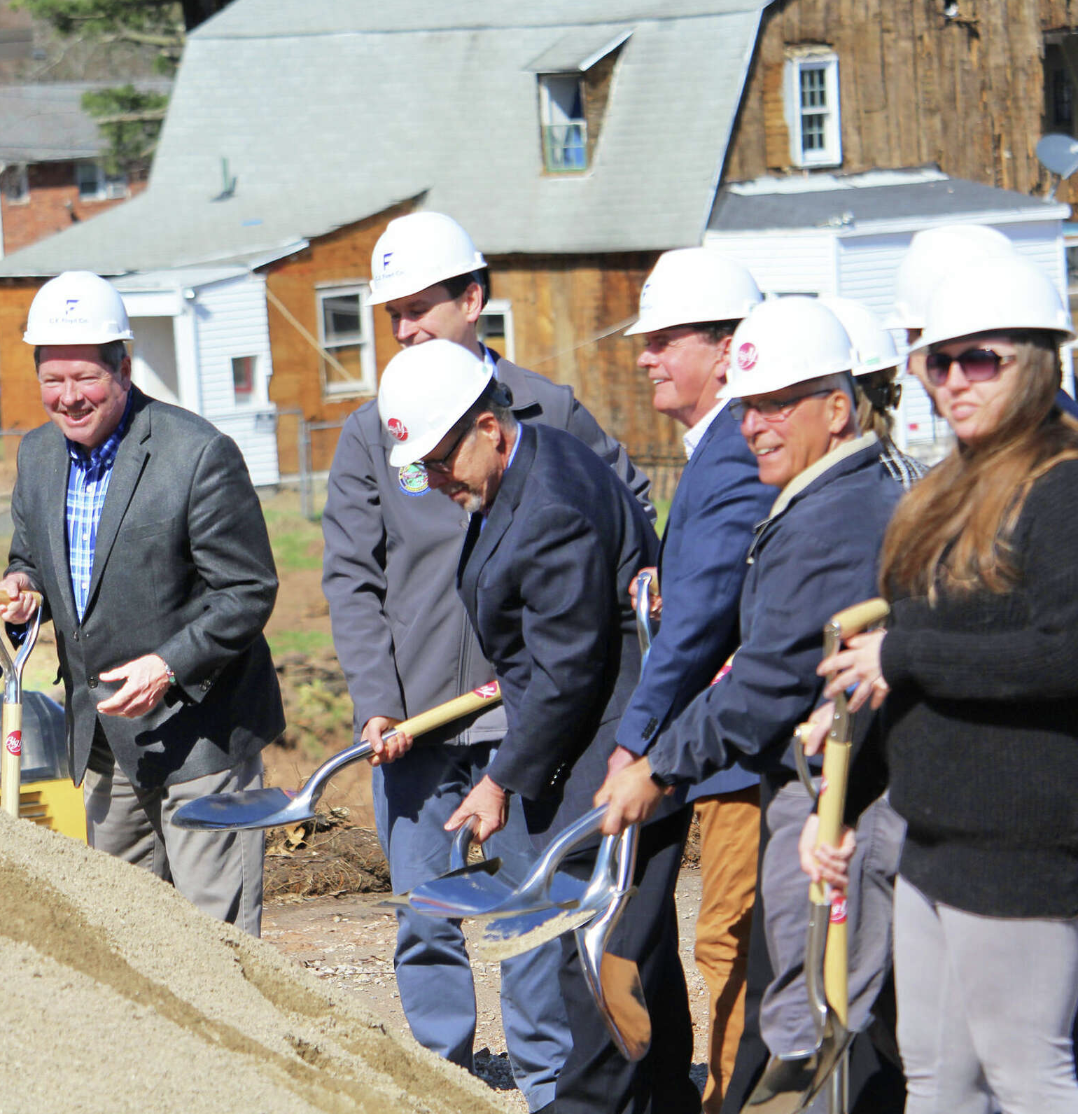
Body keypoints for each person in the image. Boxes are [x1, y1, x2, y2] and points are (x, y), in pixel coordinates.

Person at [321, 211, 651, 1107]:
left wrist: (639, 581)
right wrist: (376, 701)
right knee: (429, 912)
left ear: (474, 299)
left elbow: (627, 513)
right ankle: (442, 1078)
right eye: (391, 314)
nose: (404, 328)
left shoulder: (550, 409)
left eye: (421, 306)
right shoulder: (375, 433)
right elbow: (351, 576)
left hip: (536, 713)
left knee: (531, 913)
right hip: (421, 717)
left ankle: (548, 1083)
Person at [808, 253, 1078, 1114]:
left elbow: (1071, 654)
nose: (953, 380)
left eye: (980, 359)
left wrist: (902, 659)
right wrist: (841, 799)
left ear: (1034, 361)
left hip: (1030, 832)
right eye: (938, 361)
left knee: (1028, 1074)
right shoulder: (946, 493)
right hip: (939, 828)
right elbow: (909, 663)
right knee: (938, 1078)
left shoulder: (1076, 489)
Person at [592, 297, 908, 1107]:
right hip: (818, 774)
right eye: (752, 404)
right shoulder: (841, 486)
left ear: (837, 408)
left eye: (776, 404)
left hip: (833, 798)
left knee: (808, 1020)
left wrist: (651, 758)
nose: (755, 424)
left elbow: (756, 666)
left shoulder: (828, 512)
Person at [378, 339, 694, 1114]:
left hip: (605, 760)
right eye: (419, 468)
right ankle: (668, 1100)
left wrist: (498, 780)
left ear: (489, 427)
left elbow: (566, 676)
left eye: (441, 461)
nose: (435, 481)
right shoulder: (527, 460)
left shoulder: (550, 508)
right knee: (636, 962)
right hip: (585, 742)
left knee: (594, 964)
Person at [0, 271, 282, 935]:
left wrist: (169, 665)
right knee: (128, 935)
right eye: (53, 380)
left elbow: (248, 589)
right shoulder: (37, 456)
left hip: (199, 734)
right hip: (102, 738)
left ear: (123, 367)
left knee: (218, 932)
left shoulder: (196, 454)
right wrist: (22, 589)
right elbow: (30, 558)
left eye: (85, 379)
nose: (68, 399)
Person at [614, 248, 775, 1113]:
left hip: (735, 746)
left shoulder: (737, 446)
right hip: (713, 743)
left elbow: (706, 615)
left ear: (726, 348)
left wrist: (636, 738)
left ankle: (733, 1097)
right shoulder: (715, 447)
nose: (646, 357)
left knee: (731, 943)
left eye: (665, 340)